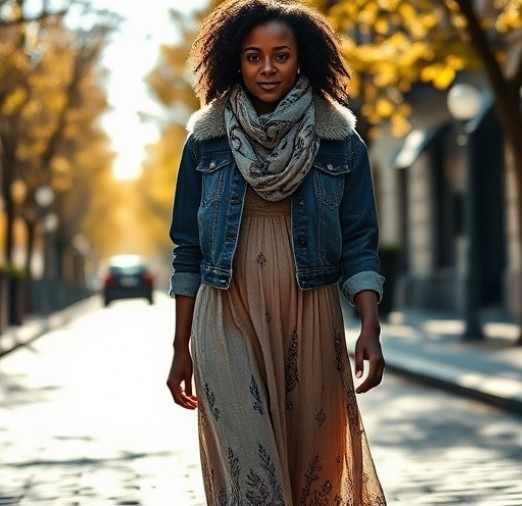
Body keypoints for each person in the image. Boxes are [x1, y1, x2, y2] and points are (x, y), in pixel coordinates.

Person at [166, 0, 387, 504]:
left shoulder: (341, 143)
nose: (267, 68)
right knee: (253, 477)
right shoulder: (205, 141)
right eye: (253, 56)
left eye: (281, 56)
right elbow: (187, 250)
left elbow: (359, 243)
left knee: (313, 473)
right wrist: (181, 347)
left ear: (302, 59)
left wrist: (370, 328)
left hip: (308, 315)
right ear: (233, 62)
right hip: (225, 311)